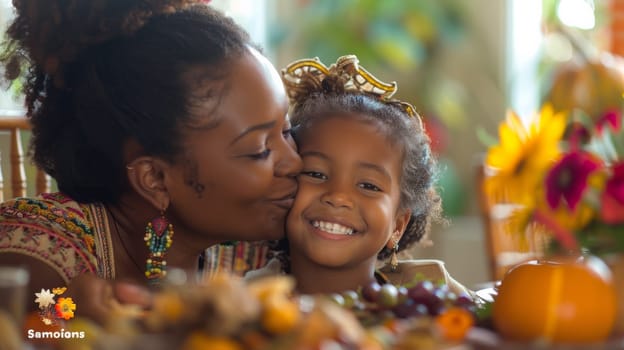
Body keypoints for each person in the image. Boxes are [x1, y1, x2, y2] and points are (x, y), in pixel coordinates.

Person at [0, 0, 301, 319]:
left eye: (286, 130)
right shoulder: (35, 253)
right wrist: (66, 317)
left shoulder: (253, 254)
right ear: (155, 179)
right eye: (260, 150)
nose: (294, 162)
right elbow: (31, 319)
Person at [248, 55, 470, 297]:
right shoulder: (245, 304)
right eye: (315, 173)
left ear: (397, 226)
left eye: (368, 185)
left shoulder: (427, 292)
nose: (338, 196)